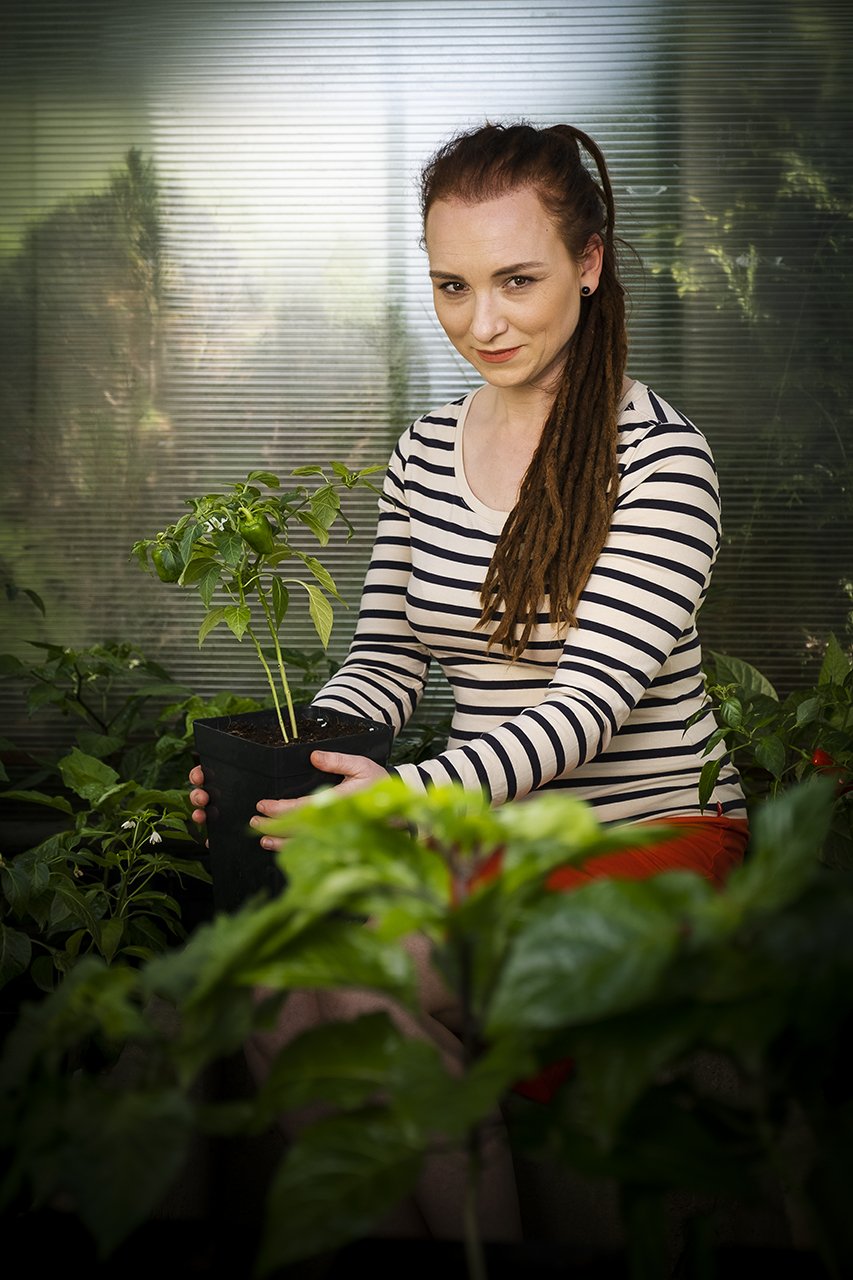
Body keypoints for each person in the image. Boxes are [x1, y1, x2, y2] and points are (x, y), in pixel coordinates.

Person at [189, 120, 748, 1238]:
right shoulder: (423, 448)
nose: (480, 322)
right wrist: (288, 770)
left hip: (642, 836)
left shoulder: (663, 461)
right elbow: (388, 653)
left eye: (517, 280)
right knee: (289, 974)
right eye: (451, 284)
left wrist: (405, 795)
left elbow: (587, 705)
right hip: (484, 831)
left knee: (343, 972)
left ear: (589, 264)